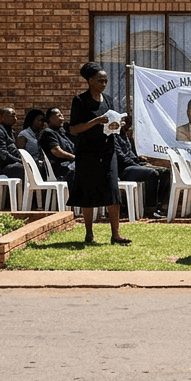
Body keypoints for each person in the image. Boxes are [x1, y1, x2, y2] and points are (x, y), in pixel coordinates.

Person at [66, 63, 128, 245]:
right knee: (88, 193)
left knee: (113, 192)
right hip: (87, 153)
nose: (104, 83)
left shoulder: (108, 100)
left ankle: (116, 234)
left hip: (108, 151)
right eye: (100, 80)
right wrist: (96, 121)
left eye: (106, 81)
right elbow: (74, 129)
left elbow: (110, 122)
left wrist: (118, 125)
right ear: (90, 81)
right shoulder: (80, 101)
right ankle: (89, 234)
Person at [115, 119, 170, 218]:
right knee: (151, 173)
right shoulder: (112, 136)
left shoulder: (124, 136)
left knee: (165, 172)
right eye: (123, 122)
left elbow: (130, 154)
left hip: (133, 165)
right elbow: (121, 158)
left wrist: (139, 160)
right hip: (123, 170)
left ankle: (159, 206)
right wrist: (138, 165)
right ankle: (150, 208)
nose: (126, 125)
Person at [0, 107, 25, 180]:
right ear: (3, 118)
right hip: (1, 167)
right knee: (21, 168)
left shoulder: (11, 132)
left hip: (11, 163)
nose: (15, 118)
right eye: (12, 116)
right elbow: (3, 155)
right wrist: (19, 161)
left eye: (15, 116)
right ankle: (20, 191)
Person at [40, 107, 77, 181]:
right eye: (59, 116)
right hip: (59, 169)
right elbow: (56, 151)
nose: (62, 118)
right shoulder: (48, 132)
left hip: (69, 165)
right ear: (50, 118)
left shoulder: (62, 132)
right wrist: (74, 157)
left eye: (62, 116)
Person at [16, 108, 48, 177]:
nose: (42, 123)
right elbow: (20, 154)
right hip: (30, 167)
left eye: (43, 121)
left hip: (42, 166)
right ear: (32, 121)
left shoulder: (42, 134)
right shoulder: (24, 134)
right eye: (39, 120)